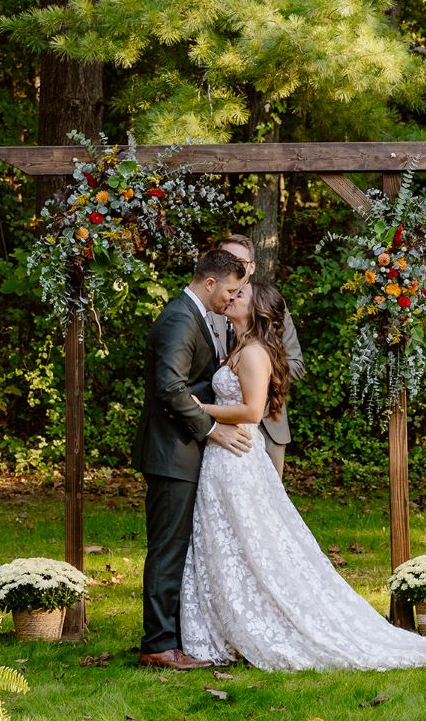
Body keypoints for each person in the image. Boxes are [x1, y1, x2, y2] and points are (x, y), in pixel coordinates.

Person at [180, 281, 426, 672]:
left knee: (252, 543)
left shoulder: (253, 353)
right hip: (225, 459)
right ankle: (226, 626)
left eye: (241, 296)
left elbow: (252, 412)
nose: (232, 297)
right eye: (233, 294)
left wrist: (203, 408)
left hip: (237, 459)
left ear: (256, 312)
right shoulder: (237, 347)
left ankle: (262, 623)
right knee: (228, 543)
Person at [132, 248, 251, 671]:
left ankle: (173, 635)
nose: (231, 299)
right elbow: (170, 389)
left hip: (183, 452)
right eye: (231, 290)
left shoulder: (198, 314)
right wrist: (213, 429)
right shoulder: (181, 317)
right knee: (168, 547)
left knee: (179, 547)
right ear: (211, 282)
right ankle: (159, 645)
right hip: (170, 452)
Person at [210, 234, 304, 477]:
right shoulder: (209, 307)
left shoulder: (270, 305)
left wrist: (254, 374)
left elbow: (296, 364)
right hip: (218, 424)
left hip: (268, 424)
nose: (234, 267)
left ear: (251, 267)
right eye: (227, 259)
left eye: (240, 261)